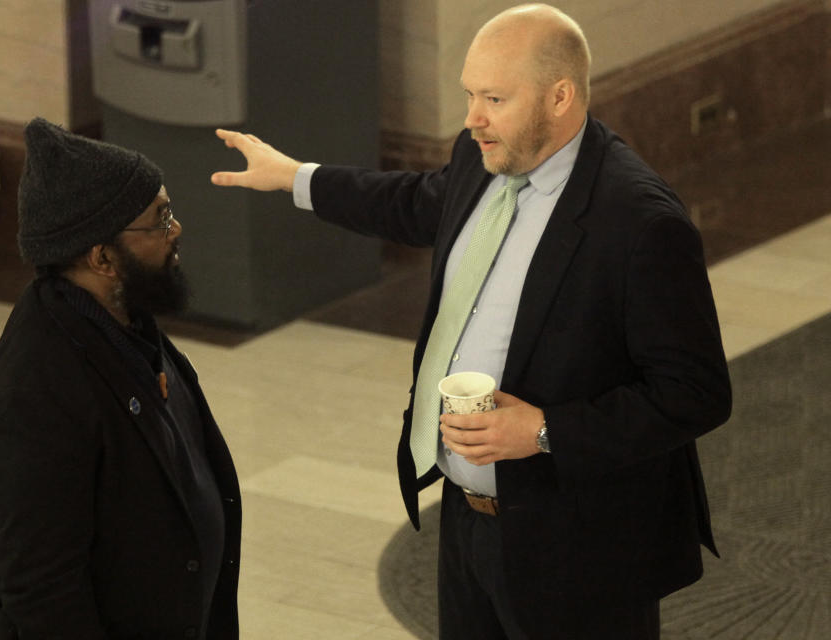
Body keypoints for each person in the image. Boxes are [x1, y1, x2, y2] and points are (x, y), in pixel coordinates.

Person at [210, 4, 731, 639]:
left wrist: (544, 432)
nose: (471, 118)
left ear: (560, 97)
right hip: (468, 523)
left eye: (493, 98)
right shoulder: (484, 158)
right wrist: (294, 178)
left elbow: (695, 394)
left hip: (582, 550)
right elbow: (416, 204)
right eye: (469, 95)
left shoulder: (640, 223)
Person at [0, 118, 241, 639]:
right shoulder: (40, 388)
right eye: (160, 219)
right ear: (102, 257)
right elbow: (44, 591)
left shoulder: (124, 324)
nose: (176, 231)